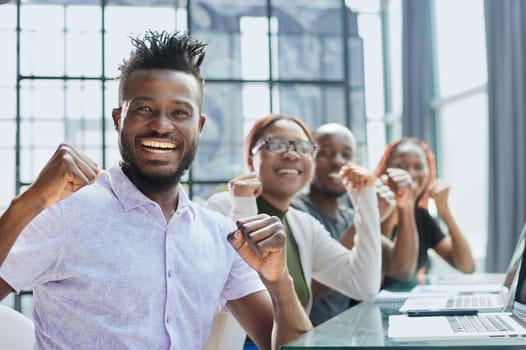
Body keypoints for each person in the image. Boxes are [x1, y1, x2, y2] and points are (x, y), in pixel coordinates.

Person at [0, 31, 312, 349]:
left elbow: (287, 345)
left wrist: (278, 281)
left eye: (179, 113)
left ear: (199, 127)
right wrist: (29, 201)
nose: (162, 126)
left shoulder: (220, 234)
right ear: (119, 119)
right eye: (145, 109)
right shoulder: (65, 211)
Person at [205, 114, 382, 331]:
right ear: (251, 159)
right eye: (276, 145)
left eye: (302, 147)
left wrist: (364, 198)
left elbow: (363, 285)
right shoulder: (222, 207)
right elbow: (255, 301)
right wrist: (243, 206)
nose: (291, 154)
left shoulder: (304, 225)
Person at [291, 123, 419, 325]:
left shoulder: (349, 216)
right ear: (308, 157)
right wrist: (368, 214)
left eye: (346, 155)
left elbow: (401, 268)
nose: (338, 162)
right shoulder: (295, 212)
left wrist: (406, 204)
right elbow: (303, 294)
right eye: (325, 153)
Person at [375, 137, 475, 286]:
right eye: (400, 167)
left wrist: (444, 211)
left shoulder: (421, 215)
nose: (410, 174)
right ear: (385, 170)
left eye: (419, 167)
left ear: (430, 173)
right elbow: (378, 278)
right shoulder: (376, 212)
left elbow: (466, 267)